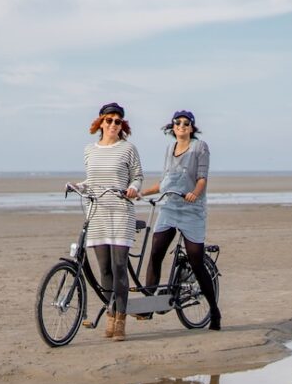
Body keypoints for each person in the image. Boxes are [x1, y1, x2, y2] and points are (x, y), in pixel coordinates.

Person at [139, 110, 221, 330]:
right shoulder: (169, 149)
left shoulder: (199, 147)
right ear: (172, 127)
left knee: (196, 259)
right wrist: (142, 193)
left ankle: (214, 310)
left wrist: (195, 192)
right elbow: (165, 182)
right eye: (178, 123)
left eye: (186, 123)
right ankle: (147, 306)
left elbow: (203, 178)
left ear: (192, 127)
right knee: (155, 252)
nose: (182, 126)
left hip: (192, 209)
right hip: (170, 206)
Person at [81, 102, 143, 341]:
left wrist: (132, 187)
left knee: (119, 267)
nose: (113, 125)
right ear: (100, 122)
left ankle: (120, 319)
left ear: (122, 125)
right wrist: (79, 185)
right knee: (104, 269)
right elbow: (91, 179)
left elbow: (137, 175)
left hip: (120, 212)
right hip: (97, 213)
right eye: (109, 120)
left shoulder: (128, 149)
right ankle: (110, 311)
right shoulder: (89, 150)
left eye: (118, 121)